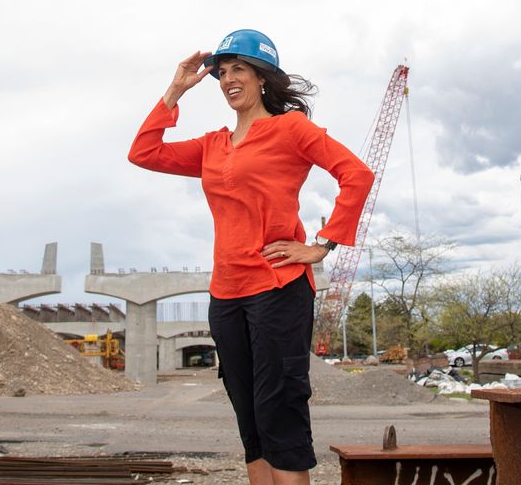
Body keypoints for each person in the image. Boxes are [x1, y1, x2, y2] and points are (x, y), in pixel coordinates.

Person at [127, 29, 375, 485]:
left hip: (278, 288)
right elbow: (144, 153)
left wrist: (322, 245)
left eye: (239, 68)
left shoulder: (291, 129)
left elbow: (356, 174)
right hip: (226, 294)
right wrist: (176, 89)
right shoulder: (212, 145)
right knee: (250, 416)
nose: (228, 79)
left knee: (279, 407)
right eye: (222, 72)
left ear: (263, 77)